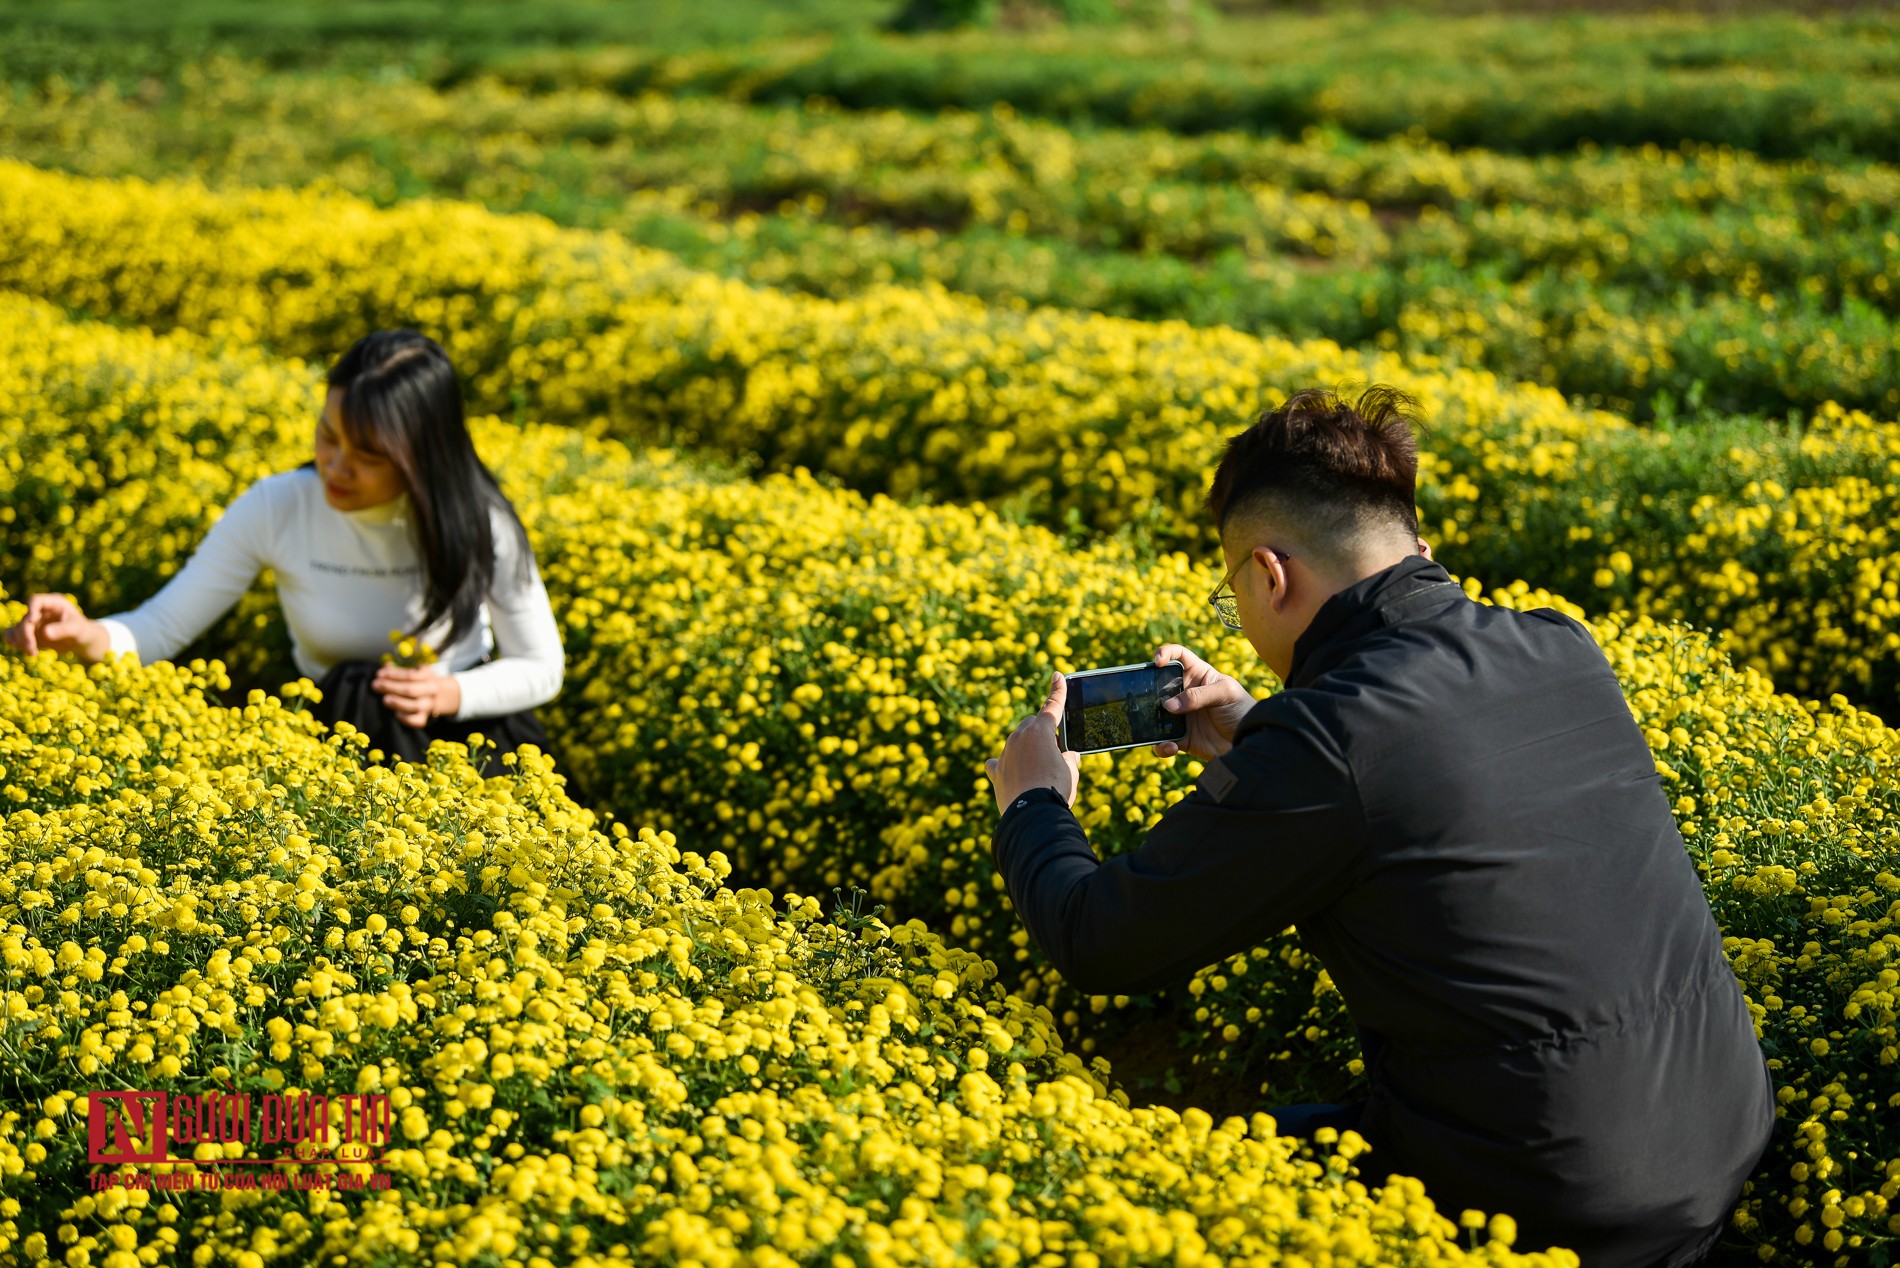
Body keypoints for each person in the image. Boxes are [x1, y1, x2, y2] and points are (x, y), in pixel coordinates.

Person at [983, 386, 1774, 1267]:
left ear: (1270, 574)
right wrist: (1258, 731)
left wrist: (1033, 800)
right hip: (1716, 1134)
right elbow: (1429, 767)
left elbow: (1099, 940)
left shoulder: (1328, 742)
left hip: (1547, 1194)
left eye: (1231, 590)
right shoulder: (1560, 645)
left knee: (1158, 1185)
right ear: (1417, 550)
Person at [4, 330, 569, 784]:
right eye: (328, 436)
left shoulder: (479, 520)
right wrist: (86, 635)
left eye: (368, 455)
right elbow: (161, 625)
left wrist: (452, 693)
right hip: (346, 737)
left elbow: (542, 666)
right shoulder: (278, 506)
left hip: (475, 738)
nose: (335, 466)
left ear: (425, 455)